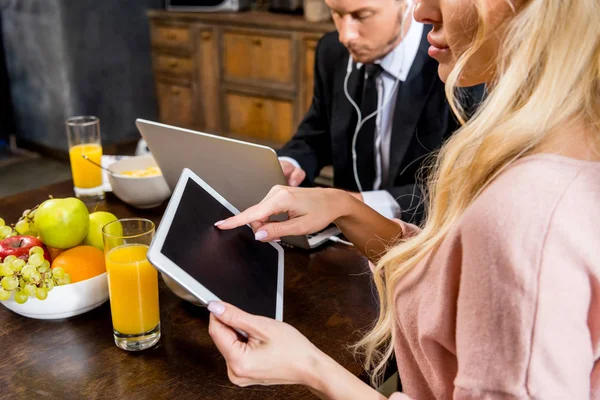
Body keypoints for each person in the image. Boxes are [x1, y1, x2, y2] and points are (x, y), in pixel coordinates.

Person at [209, 0, 600, 397]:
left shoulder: (523, 213)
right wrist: (344, 206)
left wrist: (309, 367)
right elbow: (453, 279)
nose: (421, 10)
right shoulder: (566, 153)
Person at [277, 0, 483, 223]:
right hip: (348, 235)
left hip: (425, 236)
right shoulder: (332, 52)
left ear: (407, 5)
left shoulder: (459, 63)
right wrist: (291, 163)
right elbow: (317, 134)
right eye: (336, 14)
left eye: (362, 16)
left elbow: (463, 188)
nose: (346, 36)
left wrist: (351, 204)